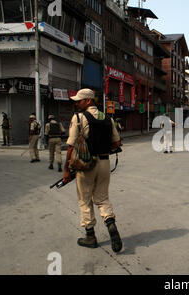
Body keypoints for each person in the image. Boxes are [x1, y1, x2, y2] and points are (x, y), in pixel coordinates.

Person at [63, 88, 123, 253]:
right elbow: (116, 144)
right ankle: (111, 225)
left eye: (79, 100)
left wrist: (66, 171)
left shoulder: (79, 118)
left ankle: (90, 236)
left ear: (88, 100)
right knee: (103, 198)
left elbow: (71, 147)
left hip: (86, 165)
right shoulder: (107, 118)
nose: (77, 103)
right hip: (104, 163)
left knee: (85, 200)